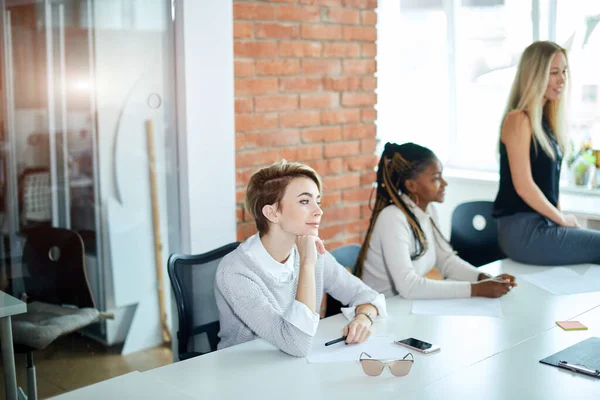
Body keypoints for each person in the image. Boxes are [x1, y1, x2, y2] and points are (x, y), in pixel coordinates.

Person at [215, 160, 387, 357]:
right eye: (305, 201)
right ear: (272, 212)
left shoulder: (309, 252)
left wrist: (363, 319)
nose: (319, 211)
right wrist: (307, 264)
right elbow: (296, 344)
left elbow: (367, 295)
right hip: (241, 374)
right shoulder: (234, 272)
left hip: (295, 367)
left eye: (318, 201)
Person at [356, 142, 517, 299]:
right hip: (379, 311)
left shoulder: (428, 210)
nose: (444, 183)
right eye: (436, 178)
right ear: (411, 185)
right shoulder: (392, 218)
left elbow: (445, 260)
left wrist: (483, 278)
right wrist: (476, 289)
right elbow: (409, 286)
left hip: (403, 306)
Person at [493, 41, 600, 265]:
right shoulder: (518, 119)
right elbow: (524, 186)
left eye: (564, 72)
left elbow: (549, 186)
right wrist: (561, 218)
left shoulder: (545, 123)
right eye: (554, 72)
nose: (562, 79)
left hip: (543, 223)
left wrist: (561, 220)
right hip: (521, 230)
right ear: (534, 75)